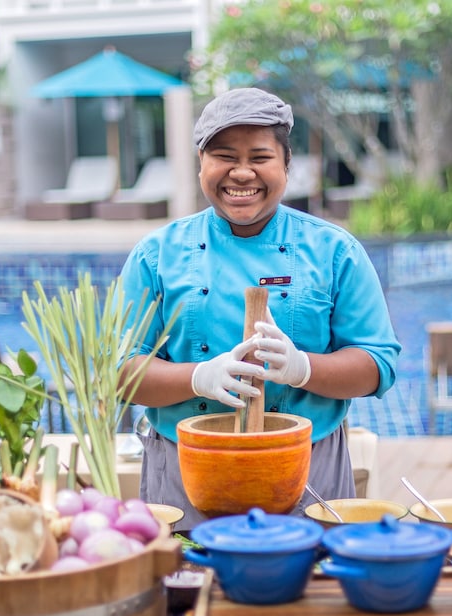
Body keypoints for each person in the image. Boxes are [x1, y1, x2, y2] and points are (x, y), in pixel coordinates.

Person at [118, 87, 401, 530]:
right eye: (224, 155)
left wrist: (303, 368)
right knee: (190, 588)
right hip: (186, 475)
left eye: (260, 157)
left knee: (311, 590)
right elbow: (119, 373)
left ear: (287, 164)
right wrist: (198, 377)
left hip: (308, 474)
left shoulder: (334, 251)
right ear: (201, 165)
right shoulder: (157, 255)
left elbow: (378, 364)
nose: (242, 173)